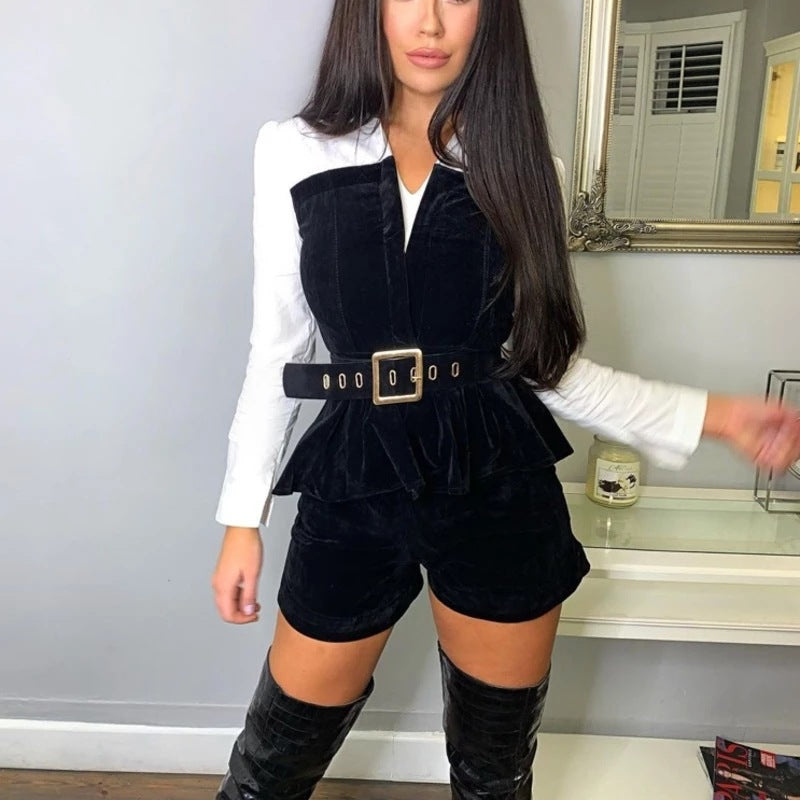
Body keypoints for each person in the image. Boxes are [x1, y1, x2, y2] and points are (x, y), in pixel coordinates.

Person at [210, 2, 800, 798]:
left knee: (494, 775)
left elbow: (547, 367)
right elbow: (276, 352)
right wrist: (242, 520)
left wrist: (715, 416)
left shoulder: (524, 168)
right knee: (270, 772)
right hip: (354, 476)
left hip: (496, 481)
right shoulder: (295, 149)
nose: (430, 23)